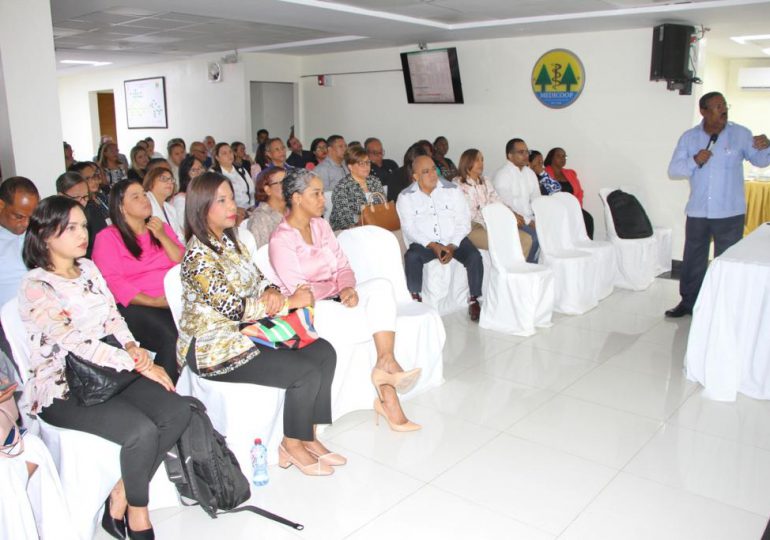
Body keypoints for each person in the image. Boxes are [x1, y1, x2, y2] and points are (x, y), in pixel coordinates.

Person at [19, 195, 191, 539]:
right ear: (46, 234)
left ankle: (121, 493)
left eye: (83, 225)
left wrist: (132, 347)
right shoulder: (36, 285)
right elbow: (74, 343)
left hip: (109, 373)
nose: (83, 233)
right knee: (140, 432)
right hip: (64, 387)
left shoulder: (89, 268)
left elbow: (114, 317)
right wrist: (138, 364)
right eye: (71, 228)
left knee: (177, 410)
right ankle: (137, 516)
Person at [178, 172, 343, 475]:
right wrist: (289, 302)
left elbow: (258, 280)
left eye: (232, 198)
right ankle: (290, 444)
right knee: (303, 372)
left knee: (324, 353)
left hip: (248, 333)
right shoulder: (197, 255)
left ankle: (308, 434)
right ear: (202, 208)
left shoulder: (233, 243)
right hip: (213, 348)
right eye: (223, 200)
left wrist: (271, 290)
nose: (233, 206)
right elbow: (231, 307)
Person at [269, 168, 422, 431]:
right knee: (372, 317)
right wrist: (337, 290)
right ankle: (389, 399)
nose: (323, 199)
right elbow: (301, 292)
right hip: (310, 310)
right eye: (315, 194)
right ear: (296, 198)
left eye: (321, 193)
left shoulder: (321, 226)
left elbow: (343, 266)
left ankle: (386, 361)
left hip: (336, 298)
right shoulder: (281, 239)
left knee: (382, 288)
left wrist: (348, 286)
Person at [665, 91, 770, 317]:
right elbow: (674, 170)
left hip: (730, 211)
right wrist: (694, 161)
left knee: (727, 260)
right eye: (717, 106)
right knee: (693, 258)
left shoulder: (741, 134)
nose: (723, 110)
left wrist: (767, 146)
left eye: (724, 105)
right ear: (703, 111)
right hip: (698, 210)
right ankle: (688, 302)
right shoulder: (689, 138)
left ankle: (725, 305)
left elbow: (761, 161)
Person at [93, 179, 183, 381]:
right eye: (136, 197)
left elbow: (181, 261)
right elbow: (112, 282)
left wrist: (161, 236)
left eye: (144, 194)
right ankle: (167, 392)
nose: (144, 199)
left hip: (172, 299)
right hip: (137, 304)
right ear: (120, 207)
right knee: (172, 336)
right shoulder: (108, 238)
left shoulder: (161, 228)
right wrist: (154, 301)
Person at [397, 155, 483, 321]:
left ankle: (474, 300)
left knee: (474, 256)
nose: (433, 174)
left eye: (434, 169)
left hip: (453, 239)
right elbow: (409, 228)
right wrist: (434, 245)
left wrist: (451, 246)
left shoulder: (452, 190)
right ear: (415, 177)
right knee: (412, 257)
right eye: (426, 172)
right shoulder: (406, 196)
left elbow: (464, 221)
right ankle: (415, 298)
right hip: (426, 243)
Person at [492, 138, 541, 263]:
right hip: (513, 220)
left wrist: (539, 218)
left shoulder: (530, 173)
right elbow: (508, 205)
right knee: (535, 237)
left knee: (549, 232)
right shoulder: (503, 175)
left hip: (529, 219)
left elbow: (537, 199)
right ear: (510, 156)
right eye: (521, 152)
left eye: (526, 152)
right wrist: (529, 221)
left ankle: (539, 270)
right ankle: (527, 268)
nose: (526, 155)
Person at [452, 149, 507, 252]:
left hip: (488, 223)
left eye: (482, 160)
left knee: (517, 238)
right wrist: (488, 213)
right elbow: (469, 212)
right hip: (471, 226)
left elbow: (496, 200)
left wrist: (510, 213)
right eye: (477, 160)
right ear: (467, 162)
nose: (481, 163)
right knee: (500, 242)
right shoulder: (457, 184)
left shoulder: (485, 181)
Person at [0, 177, 39, 307]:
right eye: (19, 217)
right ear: (1, 205)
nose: (26, 223)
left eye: (31, 217)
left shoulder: (39, 232)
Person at [329, 146, 386, 231]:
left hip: (375, 226)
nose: (366, 166)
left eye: (367, 162)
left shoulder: (374, 181)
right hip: (349, 230)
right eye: (361, 163)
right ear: (350, 167)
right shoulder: (342, 187)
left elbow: (383, 205)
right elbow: (344, 219)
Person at [544, 147, 594, 239]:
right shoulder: (545, 173)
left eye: (564, 156)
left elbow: (579, 192)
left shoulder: (571, 173)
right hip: (556, 208)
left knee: (587, 218)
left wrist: (576, 206)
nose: (562, 159)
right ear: (551, 158)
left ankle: (587, 244)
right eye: (559, 156)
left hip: (572, 207)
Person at [211, 142, 255, 222]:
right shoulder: (214, 174)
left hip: (247, 209)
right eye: (224, 153)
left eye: (230, 152)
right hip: (227, 211)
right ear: (217, 157)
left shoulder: (241, 170)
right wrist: (235, 209)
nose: (229, 155)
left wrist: (252, 206)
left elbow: (252, 191)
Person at [247, 167, 286, 248]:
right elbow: (261, 255)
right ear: (267, 190)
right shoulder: (260, 219)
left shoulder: (294, 211)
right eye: (283, 182)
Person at [144, 166, 184, 241]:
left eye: (171, 180)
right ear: (151, 182)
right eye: (163, 179)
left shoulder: (170, 208)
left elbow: (180, 237)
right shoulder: (144, 202)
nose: (169, 182)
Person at [365, 137, 400, 202]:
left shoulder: (391, 164)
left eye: (381, 151)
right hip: (378, 203)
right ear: (367, 153)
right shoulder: (366, 169)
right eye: (375, 152)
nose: (379, 155)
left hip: (396, 200)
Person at [172, 155, 205, 221]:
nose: (199, 173)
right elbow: (183, 224)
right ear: (185, 175)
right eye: (193, 170)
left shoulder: (205, 193)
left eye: (200, 168)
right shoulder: (181, 199)